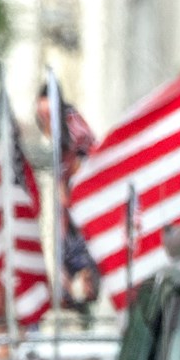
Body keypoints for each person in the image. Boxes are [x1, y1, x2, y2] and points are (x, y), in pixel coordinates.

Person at [35, 83, 102, 311]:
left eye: (49, 115)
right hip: (62, 228)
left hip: (77, 228)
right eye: (42, 116)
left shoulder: (74, 130)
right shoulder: (55, 144)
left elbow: (87, 159)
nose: (46, 122)